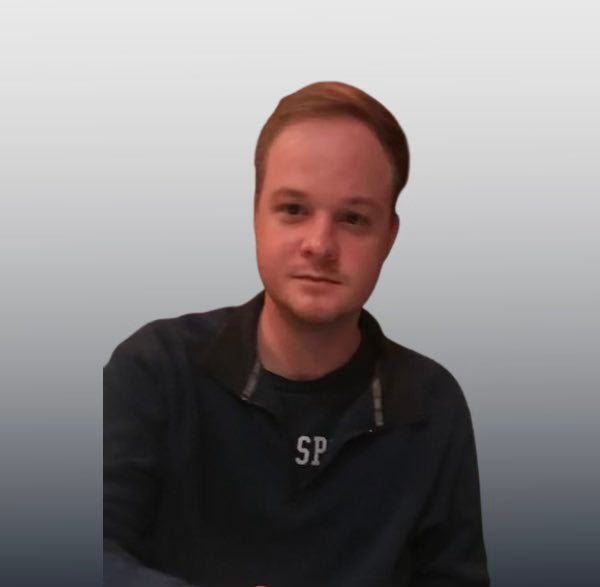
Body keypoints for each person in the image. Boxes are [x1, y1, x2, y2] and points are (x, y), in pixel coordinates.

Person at [103, 81, 490, 587]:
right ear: (255, 214)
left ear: (389, 237)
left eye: (353, 218)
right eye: (293, 209)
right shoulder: (155, 369)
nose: (320, 244)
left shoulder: (431, 405)